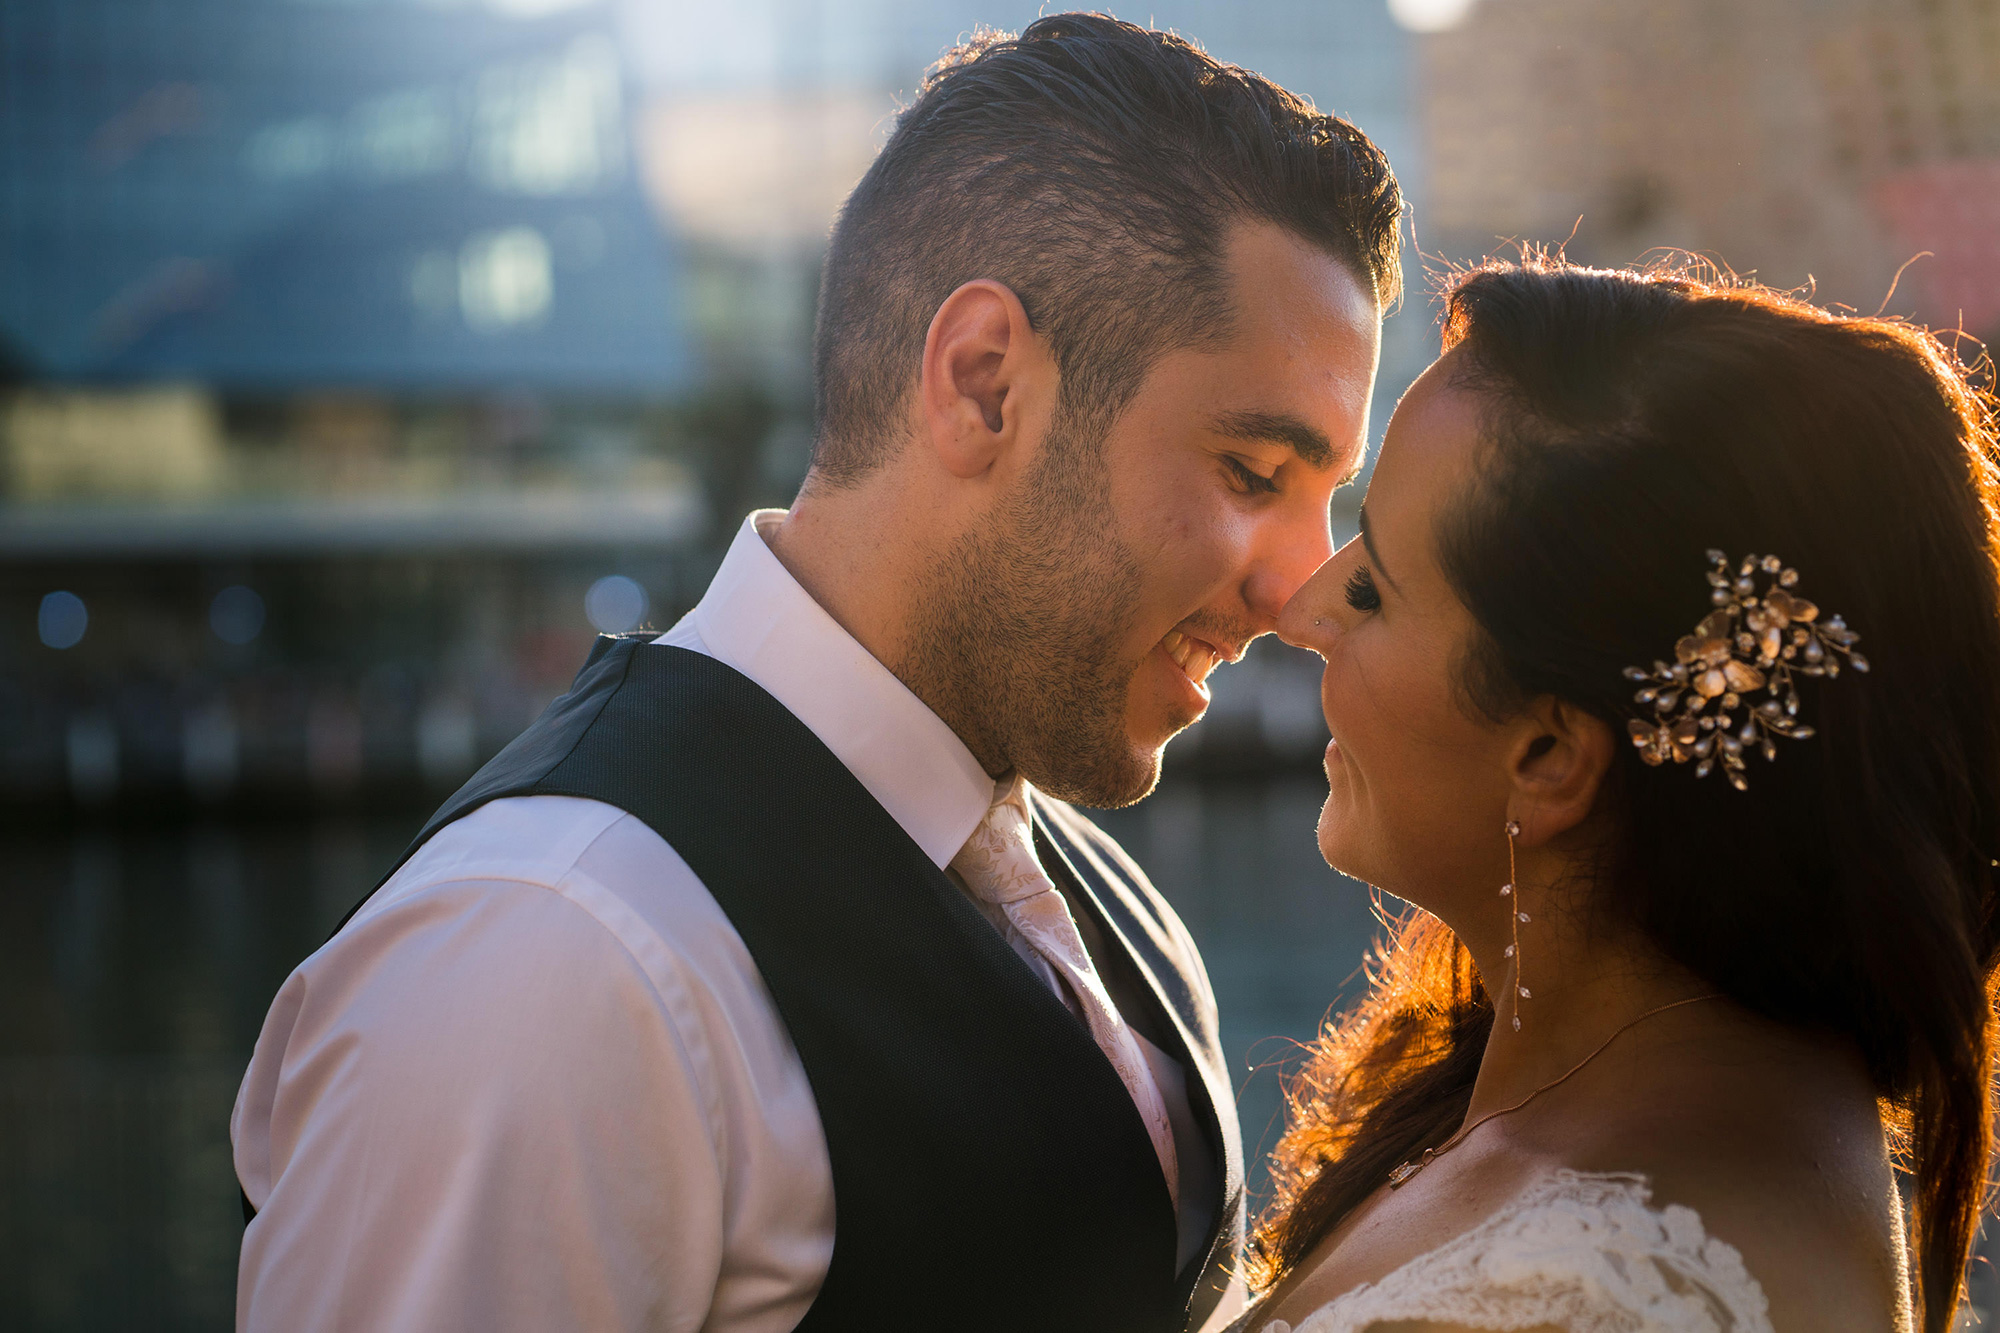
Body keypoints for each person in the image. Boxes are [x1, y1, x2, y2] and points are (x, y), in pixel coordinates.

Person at [230, 15, 1404, 1333]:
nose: (1303, 588)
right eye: (1255, 474)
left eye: (1327, 498)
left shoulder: (1107, 905)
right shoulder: (553, 959)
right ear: (982, 385)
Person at [1233, 258, 2000, 1332]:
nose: (1300, 610)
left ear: (1549, 753)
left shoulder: (1591, 1297)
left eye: (1372, 587)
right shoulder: (1671, 1086)